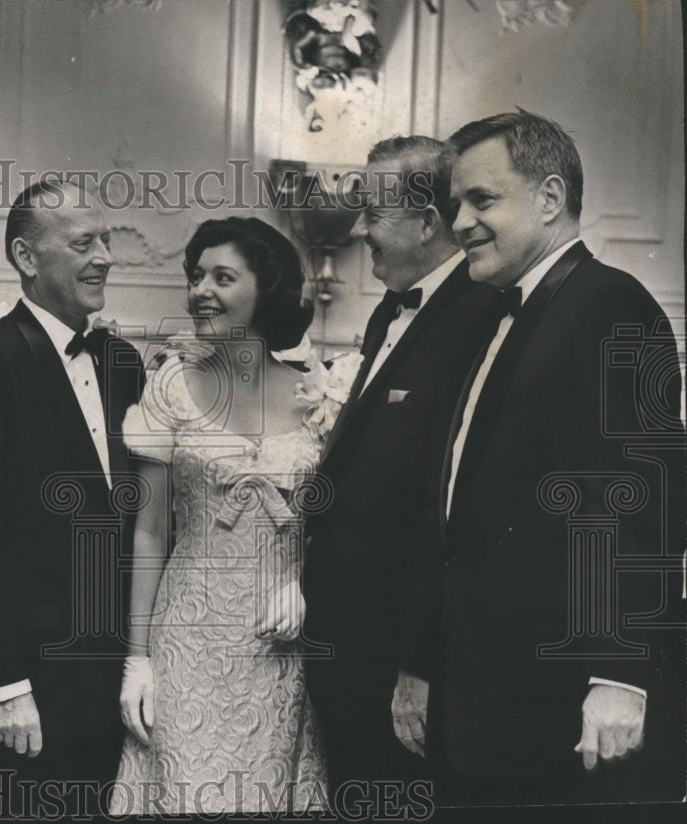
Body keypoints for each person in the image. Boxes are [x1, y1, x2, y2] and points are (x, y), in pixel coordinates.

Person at [393, 111, 686, 805]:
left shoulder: (610, 303)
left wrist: (619, 677)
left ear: (551, 198)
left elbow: (638, 499)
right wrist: (426, 663)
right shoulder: (498, 311)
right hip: (484, 699)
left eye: (482, 200)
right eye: (453, 203)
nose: (458, 222)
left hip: (563, 705)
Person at [111, 217, 350, 815]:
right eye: (196, 276)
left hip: (277, 646)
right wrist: (136, 659)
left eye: (223, 277)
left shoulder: (315, 392)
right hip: (185, 639)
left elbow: (338, 525)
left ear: (265, 290)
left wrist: (305, 583)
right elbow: (148, 530)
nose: (201, 291)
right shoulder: (171, 384)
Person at [0, 180, 145, 817]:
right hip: (32, 681)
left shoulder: (123, 361)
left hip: (117, 672)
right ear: (27, 258)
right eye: (84, 242)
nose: (105, 257)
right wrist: (3, 685)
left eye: (106, 240)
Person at [302, 136, 495, 803]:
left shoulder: (480, 316)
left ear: (426, 223)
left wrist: (420, 661)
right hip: (348, 646)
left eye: (372, 215)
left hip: (400, 657)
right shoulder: (393, 306)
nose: (358, 230)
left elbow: (456, 511)